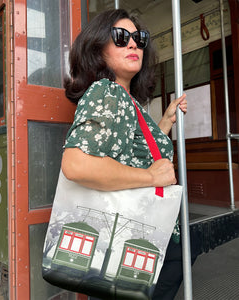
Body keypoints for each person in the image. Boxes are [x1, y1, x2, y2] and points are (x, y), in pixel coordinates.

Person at [61, 8, 187, 300]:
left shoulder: (126, 100)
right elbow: (77, 165)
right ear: (97, 48)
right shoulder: (107, 92)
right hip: (128, 234)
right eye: (121, 37)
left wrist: (165, 122)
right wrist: (150, 175)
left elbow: (132, 152)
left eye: (139, 39)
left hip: (141, 231)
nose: (133, 44)